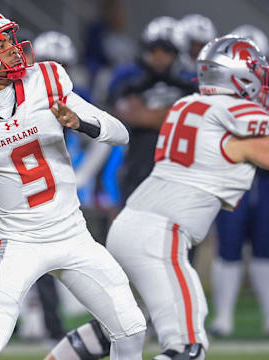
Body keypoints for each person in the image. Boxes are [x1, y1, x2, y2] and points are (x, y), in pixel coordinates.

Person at [0, 7, 147, 360]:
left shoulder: (47, 80)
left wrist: (80, 121)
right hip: (18, 244)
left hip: (74, 235)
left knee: (131, 332)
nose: (11, 46)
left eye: (7, 38)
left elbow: (120, 133)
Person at [45, 34, 269, 360]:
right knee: (187, 348)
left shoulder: (185, 104)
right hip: (160, 236)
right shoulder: (238, 111)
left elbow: (239, 148)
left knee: (122, 329)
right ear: (241, 76)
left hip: (130, 225)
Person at [210, 24, 269, 337]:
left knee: (265, 247)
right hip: (231, 174)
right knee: (228, 245)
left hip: (263, 177)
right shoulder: (219, 91)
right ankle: (224, 318)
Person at [108, 16, 195, 203]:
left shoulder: (191, 84)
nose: (159, 56)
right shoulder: (130, 81)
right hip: (137, 169)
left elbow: (197, 121)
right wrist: (174, 113)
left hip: (179, 173)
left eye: (166, 50)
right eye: (154, 50)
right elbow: (130, 115)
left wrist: (148, 114)